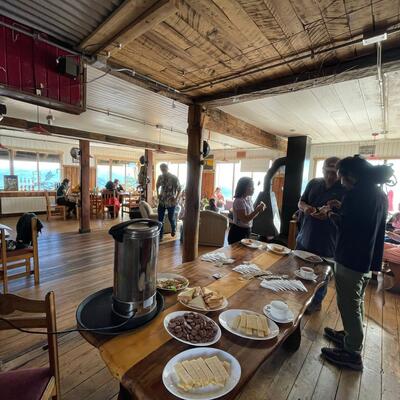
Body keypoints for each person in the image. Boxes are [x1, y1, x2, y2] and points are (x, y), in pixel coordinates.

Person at [319, 155, 391, 371]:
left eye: (341, 176)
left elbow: (347, 226)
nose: (341, 182)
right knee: (356, 300)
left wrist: (330, 213)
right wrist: (342, 208)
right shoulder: (378, 194)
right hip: (367, 258)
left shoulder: (356, 194)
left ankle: (352, 353)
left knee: (348, 304)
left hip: (350, 258)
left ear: (351, 175)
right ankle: (350, 336)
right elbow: (364, 222)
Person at [296, 157, 345, 313]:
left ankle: (316, 302)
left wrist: (330, 213)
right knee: (298, 268)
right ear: (322, 169)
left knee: (322, 275)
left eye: (334, 173)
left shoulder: (345, 189)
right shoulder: (313, 183)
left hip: (328, 241)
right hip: (305, 236)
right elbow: (301, 202)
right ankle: (299, 297)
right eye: (327, 171)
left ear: (339, 173)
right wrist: (306, 208)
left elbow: (347, 217)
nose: (330, 176)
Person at [228, 177, 265, 244]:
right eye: (251, 186)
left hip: (247, 231)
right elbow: (245, 220)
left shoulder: (249, 199)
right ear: (243, 187)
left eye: (253, 186)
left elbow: (251, 217)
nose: (253, 188)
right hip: (238, 232)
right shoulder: (239, 201)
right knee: (236, 251)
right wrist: (257, 210)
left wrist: (259, 209)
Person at [156, 163, 181, 239]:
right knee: (160, 219)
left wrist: (176, 199)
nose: (163, 171)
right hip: (162, 201)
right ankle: (160, 236)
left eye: (164, 169)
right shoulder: (160, 177)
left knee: (171, 218)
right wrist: (158, 194)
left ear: (167, 168)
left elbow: (179, 189)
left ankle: (173, 228)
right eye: (161, 169)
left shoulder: (174, 178)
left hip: (171, 202)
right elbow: (157, 186)